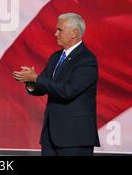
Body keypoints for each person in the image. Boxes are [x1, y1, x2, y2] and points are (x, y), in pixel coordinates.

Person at [13, 13, 100, 156]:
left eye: (60, 30)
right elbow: (44, 85)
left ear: (74, 33)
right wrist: (30, 82)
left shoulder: (86, 60)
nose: (55, 33)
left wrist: (36, 79)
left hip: (75, 138)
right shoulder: (56, 57)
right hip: (50, 136)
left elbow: (68, 91)